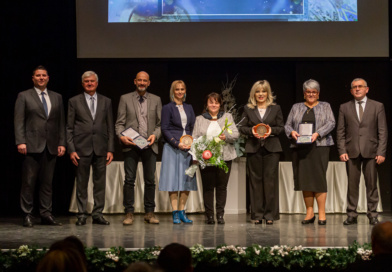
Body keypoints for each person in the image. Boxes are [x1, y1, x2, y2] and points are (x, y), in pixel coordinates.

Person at [14, 65, 66, 227]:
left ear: (48, 78)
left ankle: (45, 214)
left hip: (51, 146)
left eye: (44, 75)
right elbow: (18, 120)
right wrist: (20, 141)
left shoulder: (57, 97)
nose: (41, 78)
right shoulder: (24, 96)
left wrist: (62, 143)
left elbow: (61, 122)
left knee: (47, 183)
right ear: (33, 78)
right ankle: (28, 214)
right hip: (31, 145)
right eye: (38, 75)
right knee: (29, 182)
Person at [337, 78, 387, 226]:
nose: (357, 89)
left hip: (371, 151)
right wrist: (342, 150)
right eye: (354, 87)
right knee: (352, 185)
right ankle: (351, 214)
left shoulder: (377, 106)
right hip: (351, 151)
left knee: (371, 185)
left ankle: (372, 214)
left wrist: (381, 151)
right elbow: (340, 131)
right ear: (351, 91)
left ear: (367, 89)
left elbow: (383, 131)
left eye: (360, 86)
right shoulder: (344, 107)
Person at [66, 71, 114, 226]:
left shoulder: (106, 101)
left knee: (99, 183)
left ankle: (97, 214)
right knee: (82, 183)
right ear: (82, 83)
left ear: (97, 83)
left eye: (92, 81)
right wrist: (71, 149)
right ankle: (81, 214)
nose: (89, 83)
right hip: (81, 148)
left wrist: (110, 149)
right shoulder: (74, 101)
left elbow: (110, 128)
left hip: (101, 147)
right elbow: (69, 127)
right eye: (86, 81)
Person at [285, 79, 335, 225]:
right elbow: (287, 125)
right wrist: (292, 132)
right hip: (300, 147)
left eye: (314, 92)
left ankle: (322, 213)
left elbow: (331, 122)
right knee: (304, 180)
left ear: (318, 94)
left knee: (319, 179)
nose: (311, 94)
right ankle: (309, 212)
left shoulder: (325, 106)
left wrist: (318, 133)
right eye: (308, 92)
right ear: (304, 93)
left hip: (319, 146)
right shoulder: (296, 107)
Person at [115, 71, 162, 225]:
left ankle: (149, 212)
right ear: (135, 81)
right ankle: (129, 213)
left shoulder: (156, 99)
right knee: (129, 180)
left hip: (149, 144)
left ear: (149, 83)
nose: (142, 83)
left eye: (145, 81)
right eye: (139, 80)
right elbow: (119, 123)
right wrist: (121, 136)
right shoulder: (125, 98)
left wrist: (155, 135)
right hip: (131, 145)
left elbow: (160, 124)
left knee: (150, 181)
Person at [239, 80, 284, 225]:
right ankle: (257, 214)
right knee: (255, 182)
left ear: (268, 93)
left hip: (272, 149)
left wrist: (271, 130)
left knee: (270, 182)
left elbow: (281, 127)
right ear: (254, 94)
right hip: (254, 148)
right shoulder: (248, 109)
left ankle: (270, 215)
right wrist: (252, 131)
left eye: (263, 91)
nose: (261, 94)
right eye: (258, 91)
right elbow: (242, 128)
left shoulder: (275, 109)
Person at [192, 92, 239, 224]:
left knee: (221, 187)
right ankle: (209, 216)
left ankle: (220, 215)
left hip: (224, 157)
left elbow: (235, 134)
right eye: (211, 102)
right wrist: (197, 155)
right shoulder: (199, 119)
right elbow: (194, 138)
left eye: (216, 102)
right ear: (206, 104)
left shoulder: (227, 117)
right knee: (208, 187)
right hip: (206, 158)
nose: (214, 105)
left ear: (220, 105)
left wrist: (226, 136)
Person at [159, 80, 196, 224]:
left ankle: (182, 211)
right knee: (173, 181)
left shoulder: (189, 107)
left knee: (187, 180)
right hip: (172, 148)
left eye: (182, 89)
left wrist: (192, 143)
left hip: (189, 149)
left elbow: (193, 126)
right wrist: (176, 143)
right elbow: (165, 129)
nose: (180, 92)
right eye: (177, 89)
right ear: (173, 91)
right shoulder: (167, 108)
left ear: (185, 91)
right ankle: (174, 212)